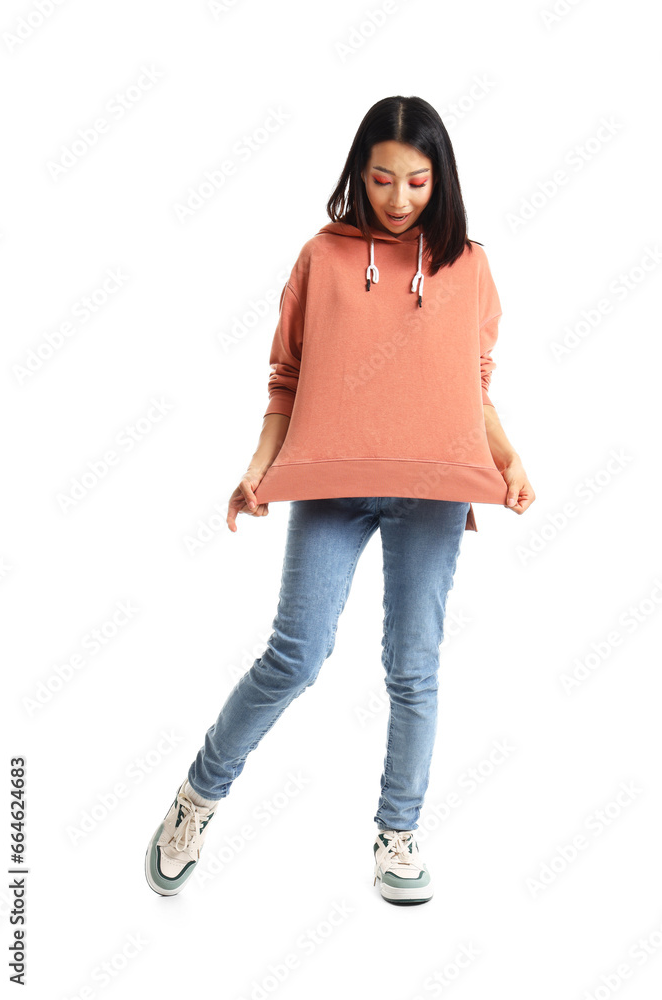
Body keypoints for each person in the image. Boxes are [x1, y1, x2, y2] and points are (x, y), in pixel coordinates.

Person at [145, 95, 535, 905]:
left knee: (413, 668)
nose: (398, 199)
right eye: (383, 178)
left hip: (431, 491)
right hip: (329, 486)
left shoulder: (470, 264)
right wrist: (257, 468)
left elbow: (472, 384)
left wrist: (509, 459)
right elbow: (285, 378)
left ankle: (398, 833)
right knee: (296, 656)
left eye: (418, 181)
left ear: (442, 178)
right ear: (359, 172)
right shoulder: (321, 258)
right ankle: (197, 798)